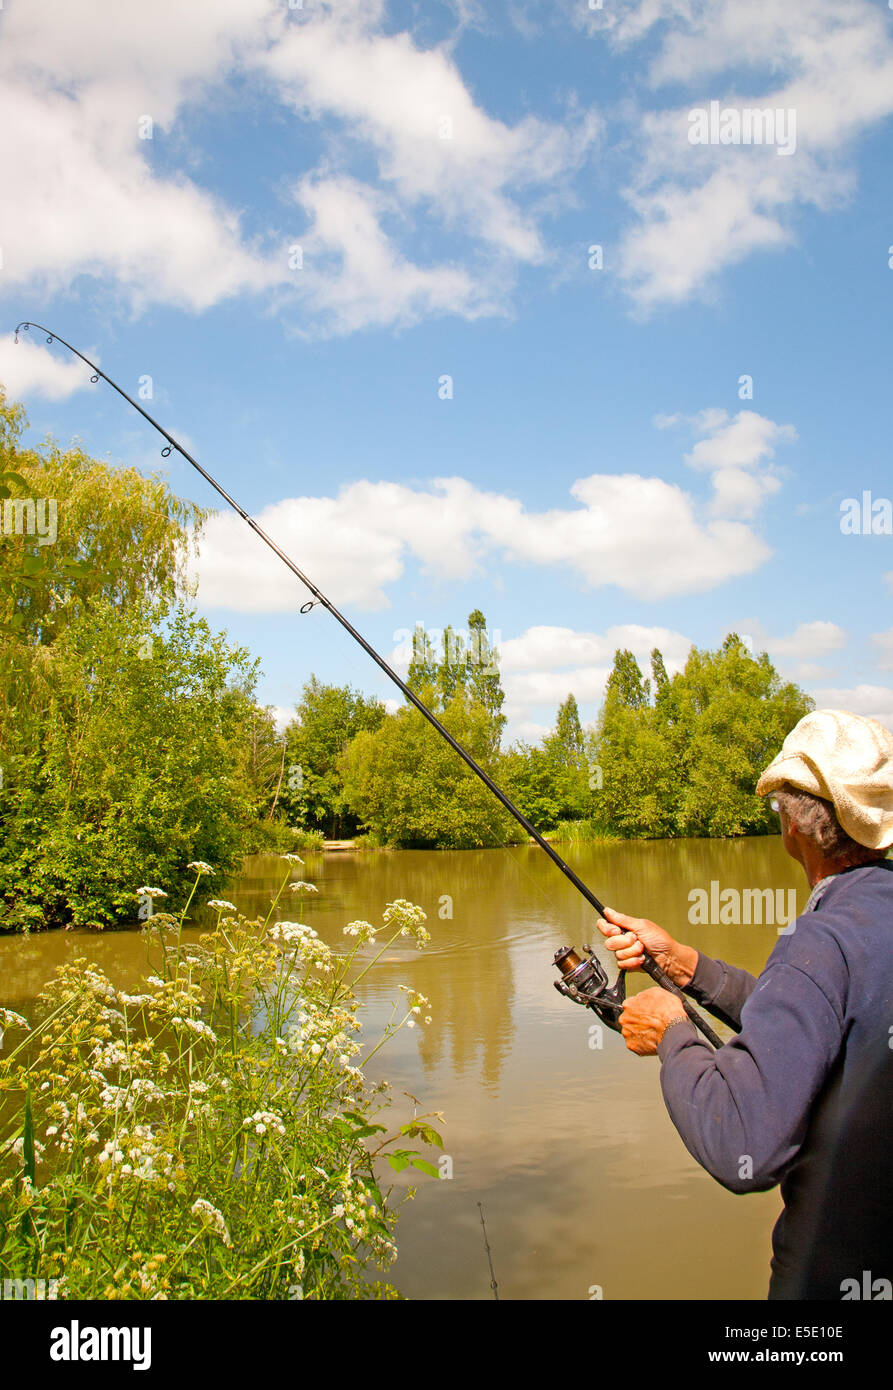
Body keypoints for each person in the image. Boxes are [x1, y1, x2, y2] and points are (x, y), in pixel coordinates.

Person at [596, 709, 893, 1300]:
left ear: (796, 827)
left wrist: (672, 1029)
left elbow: (744, 1145)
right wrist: (688, 966)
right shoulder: (866, 923)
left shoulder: (821, 938)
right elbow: (831, 1026)